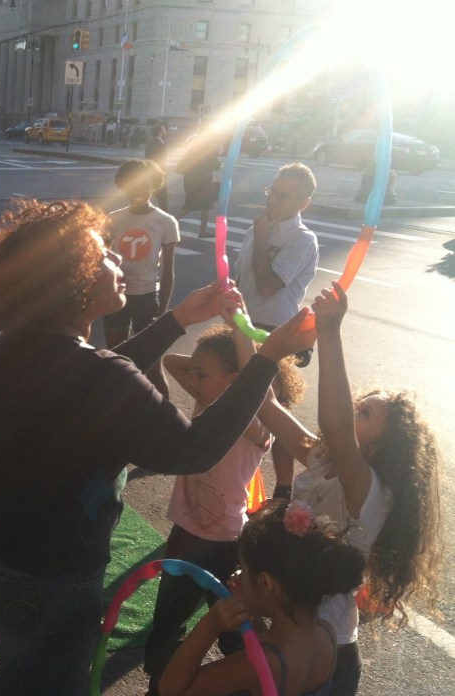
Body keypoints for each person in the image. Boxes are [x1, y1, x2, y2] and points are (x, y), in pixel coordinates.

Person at [0, 198, 316, 696]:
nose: (118, 259)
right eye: (103, 253)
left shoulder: (20, 342)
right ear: (74, 281)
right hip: (50, 566)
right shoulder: (98, 374)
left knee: (23, 665)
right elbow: (191, 449)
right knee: (49, 681)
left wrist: (176, 321)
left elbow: (94, 383)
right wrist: (267, 359)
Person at [228, 283, 442, 696]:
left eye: (364, 412)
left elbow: (336, 424)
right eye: (357, 404)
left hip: (329, 652)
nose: (350, 410)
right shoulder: (321, 459)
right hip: (288, 626)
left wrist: (330, 333)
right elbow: (265, 403)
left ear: (382, 446)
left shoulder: (370, 492)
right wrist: (239, 323)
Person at [144, 324, 305, 696]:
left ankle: (247, 676)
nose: (195, 379)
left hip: (224, 543)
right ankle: (161, 680)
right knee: (169, 618)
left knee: (235, 621)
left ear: (238, 382)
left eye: (203, 374)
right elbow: (171, 361)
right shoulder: (208, 404)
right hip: (186, 534)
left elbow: (254, 388)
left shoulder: (257, 426)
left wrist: (243, 342)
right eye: (197, 374)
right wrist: (218, 356)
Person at [158, 500, 365, 696]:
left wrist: (210, 625)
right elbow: (277, 647)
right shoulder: (326, 633)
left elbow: (171, 689)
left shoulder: (256, 665)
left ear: (265, 583)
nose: (237, 574)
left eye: (243, 569)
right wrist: (253, 614)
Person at [234, 162, 319, 499]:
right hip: (246, 325)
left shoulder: (302, 240)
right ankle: (236, 482)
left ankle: (283, 491)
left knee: (276, 412)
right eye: (272, 192)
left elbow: (269, 285)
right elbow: (243, 281)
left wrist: (263, 236)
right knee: (241, 409)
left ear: (303, 203)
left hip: (278, 331)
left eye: (284, 197)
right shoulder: (256, 229)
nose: (273, 201)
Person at [103, 159, 180, 397]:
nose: (138, 191)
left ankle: (165, 417)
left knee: (152, 366)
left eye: (145, 185)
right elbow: (101, 262)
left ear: (154, 186)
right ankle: (123, 408)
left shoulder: (166, 222)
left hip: (147, 298)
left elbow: (168, 270)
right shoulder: (112, 219)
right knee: (116, 359)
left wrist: (162, 311)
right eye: (132, 185)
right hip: (117, 297)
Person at [174, 135, 221, 238]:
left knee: (203, 206)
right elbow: (217, 166)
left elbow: (181, 166)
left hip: (190, 181)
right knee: (192, 205)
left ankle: (202, 231)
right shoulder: (208, 152)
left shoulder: (192, 151)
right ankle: (170, 224)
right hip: (202, 183)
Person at [145, 124, 169, 211]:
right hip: (158, 172)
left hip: (150, 171)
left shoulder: (150, 142)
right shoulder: (160, 143)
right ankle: (164, 217)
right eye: (163, 130)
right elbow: (162, 159)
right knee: (163, 197)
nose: (165, 132)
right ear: (160, 132)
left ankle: (144, 212)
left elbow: (147, 156)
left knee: (149, 194)